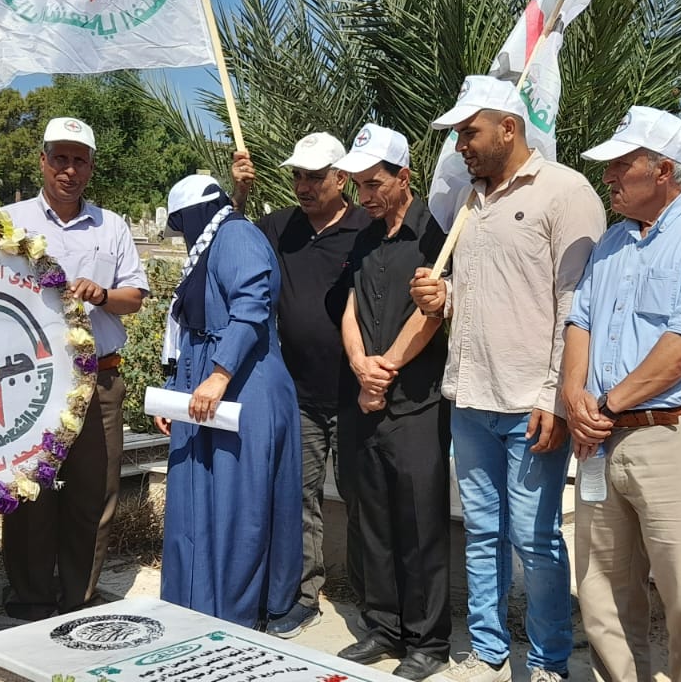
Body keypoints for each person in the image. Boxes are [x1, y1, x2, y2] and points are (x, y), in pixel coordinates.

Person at [410, 75, 604, 682]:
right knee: (482, 534)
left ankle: (548, 661)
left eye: (469, 133)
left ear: (508, 128)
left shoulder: (566, 192)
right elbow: (476, 294)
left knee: (535, 538)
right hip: (470, 400)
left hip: (531, 405)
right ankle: (488, 653)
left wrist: (556, 396)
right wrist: (441, 296)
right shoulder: (470, 202)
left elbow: (576, 305)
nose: (459, 147)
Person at [563, 107, 681, 682]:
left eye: (622, 165)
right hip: (602, 438)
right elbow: (580, 321)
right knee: (602, 593)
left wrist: (605, 405)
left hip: (678, 436)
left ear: (664, 169)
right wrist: (574, 397)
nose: (609, 177)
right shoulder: (612, 241)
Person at [0, 117, 149, 620]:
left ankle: (78, 597)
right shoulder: (9, 221)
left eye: (79, 160)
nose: (69, 169)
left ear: (91, 167)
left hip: (98, 377)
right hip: (27, 380)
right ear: (42, 161)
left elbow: (135, 297)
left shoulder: (112, 226)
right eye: (59, 158)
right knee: (29, 487)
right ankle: (30, 596)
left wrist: (102, 295)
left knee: (93, 491)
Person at [233, 132, 370, 637]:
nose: (304, 186)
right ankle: (303, 596)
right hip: (298, 394)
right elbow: (229, 244)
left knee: (362, 499)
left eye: (315, 176)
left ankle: (374, 604)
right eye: (297, 176)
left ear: (342, 178)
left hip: (358, 395)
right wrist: (240, 193)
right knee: (299, 497)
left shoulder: (367, 228)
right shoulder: (279, 226)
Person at [152, 174, 302, 628]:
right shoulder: (212, 240)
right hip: (207, 379)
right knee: (197, 497)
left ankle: (236, 612)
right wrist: (176, 391)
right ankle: (195, 600)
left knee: (240, 505)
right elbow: (190, 329)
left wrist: (219, 375)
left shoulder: (236, 236)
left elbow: (251, 306)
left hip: (244, 382)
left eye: (182, 224)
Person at [330, 124, 451, 680]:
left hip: (416, 404)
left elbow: (432, 314)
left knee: (419, 524)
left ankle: (427, 641)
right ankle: (381, 626)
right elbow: (350, 306)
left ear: (404, 176)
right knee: (372, 519)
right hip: (367, 400)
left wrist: (385, 370)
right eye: (358, 185)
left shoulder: (435, 234)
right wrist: (361, 365)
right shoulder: (366, 238)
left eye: (374, 183)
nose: (365, 196)